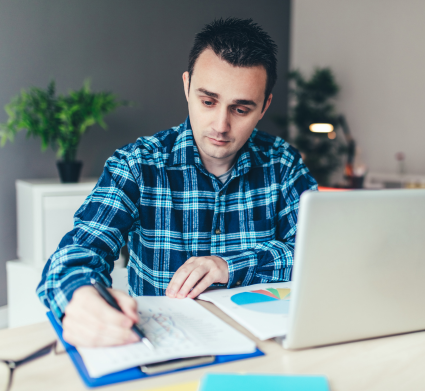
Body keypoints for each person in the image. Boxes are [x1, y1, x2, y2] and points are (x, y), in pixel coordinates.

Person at [36, 18, 317, 348]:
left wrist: (230, 266)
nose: (221, 125)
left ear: (264, 107)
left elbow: (315, 253)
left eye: (240, 109)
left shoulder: (282, 163)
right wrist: (79, 297)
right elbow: (78, 252)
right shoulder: (137, 164)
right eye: (208, 101)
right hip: (166, 347)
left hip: (265, 346)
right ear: (187, 87)